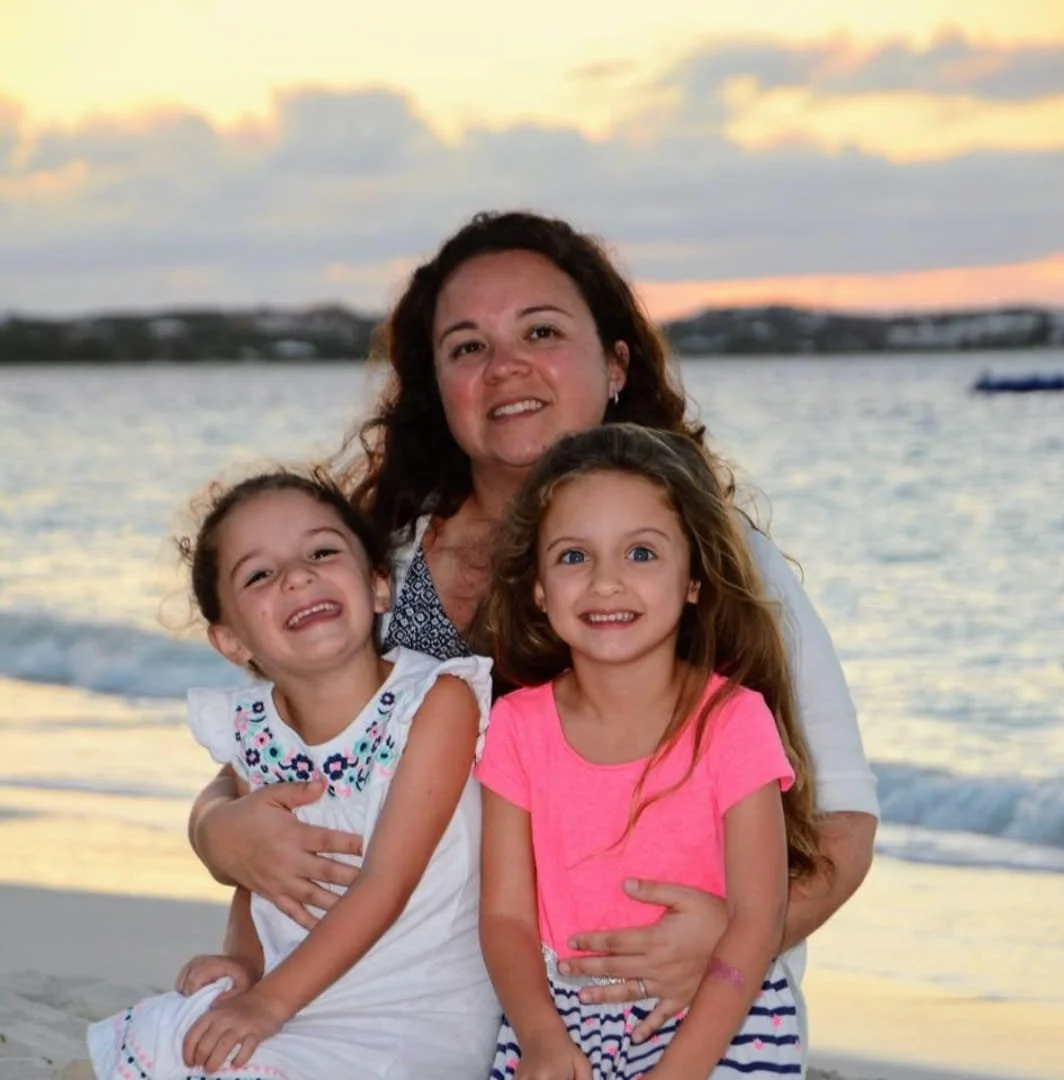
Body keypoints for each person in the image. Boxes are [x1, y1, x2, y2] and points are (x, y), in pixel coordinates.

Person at [188, 210, 879, 1044]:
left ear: (616, 364)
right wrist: (216, 829)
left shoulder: (719, 564)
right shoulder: (384, 566)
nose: (505, 366)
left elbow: (843, 822)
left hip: (667, 1017)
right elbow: (293, 745)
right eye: (467, 347)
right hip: (405, 1007)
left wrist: (738, 938)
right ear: (436, 388)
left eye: (541, 331)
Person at [87, 470, 500, 1078]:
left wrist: (266, 1005)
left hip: (412, 1015)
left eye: (322, 552)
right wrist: (245, 969)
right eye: (259, 574)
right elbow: (257, 881)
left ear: (379, 584)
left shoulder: (435, 703)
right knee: (173, 1036)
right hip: (293, 1000)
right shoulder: (253, 730)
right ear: (231, 642)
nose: (298, 575)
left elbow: (386, 884)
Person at [476, 423, 814, 1079]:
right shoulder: (517, 726)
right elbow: (506, 916)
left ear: (693, 578)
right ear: (538, 589)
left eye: (641, 554)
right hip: (556, 1018)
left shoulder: (733, 721)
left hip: (718, 1015)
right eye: (575, 557)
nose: (606, 582)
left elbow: (756, 919)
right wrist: (542, 1037)